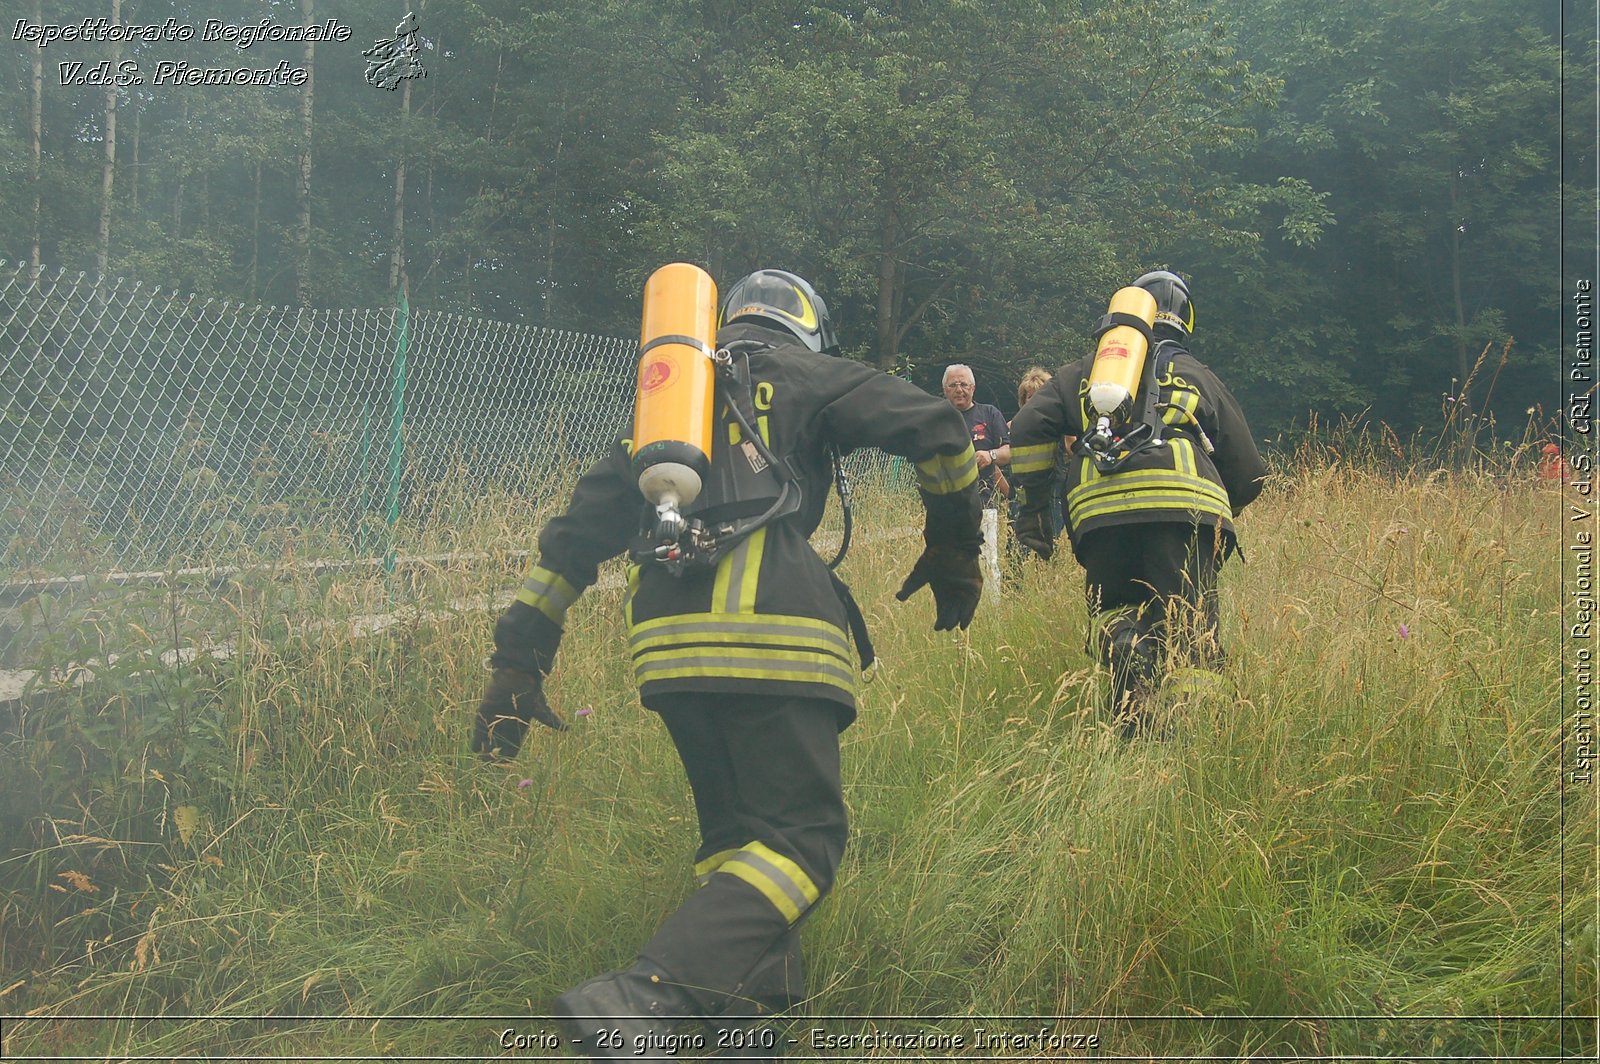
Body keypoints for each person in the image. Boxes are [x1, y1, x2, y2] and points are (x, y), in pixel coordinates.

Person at [471, 268, 983, 1057]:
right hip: (777, 638)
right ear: (807, 328)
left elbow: (571, 543)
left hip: (670, 654)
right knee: (803, 840)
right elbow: (942, 432)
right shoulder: (806, 373)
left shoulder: (663, 411)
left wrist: (518, 661)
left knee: (737, 839)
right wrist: (953, 545)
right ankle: (649, 995)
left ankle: (747, 1025)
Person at [1008, 270, 1267, 737]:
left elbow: (1027, 426)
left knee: (1116, 611)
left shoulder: (1085, 372)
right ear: (1185, 319)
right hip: (1182, 511)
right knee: (1190, 634)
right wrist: (1216, 513)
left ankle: (1132, 710)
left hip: (1099, 513)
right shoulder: (1194, 374)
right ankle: (1191, 741)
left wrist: (1033, 514)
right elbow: (1250, 472)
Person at [941, 364, 1010, 509]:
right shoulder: (936, 418)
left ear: (973, 388)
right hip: (945, 502)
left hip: (984, 501)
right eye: (953, 385)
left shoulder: (989, 413)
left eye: (964, 384)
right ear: (945, 390)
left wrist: (990, 455)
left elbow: (1010, 451)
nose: (959, 390)